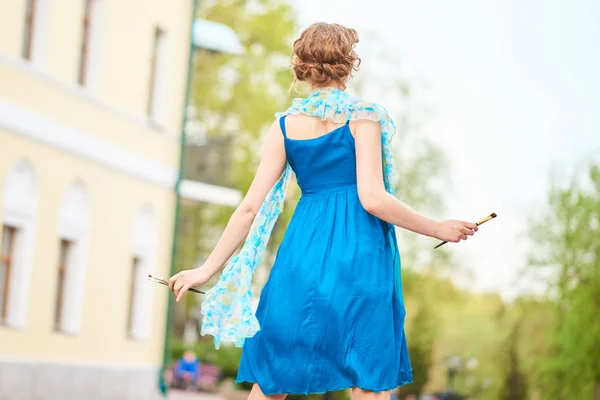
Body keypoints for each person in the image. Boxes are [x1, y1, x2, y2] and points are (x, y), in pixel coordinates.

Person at [169, 22, 477, 400]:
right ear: (349, 65)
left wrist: (205, 269)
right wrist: (437, 228)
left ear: (301, 65)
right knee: (365, 374)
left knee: (273, 373)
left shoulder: (283, 126)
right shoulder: (364, 118)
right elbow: (373, 198)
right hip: (359, 256)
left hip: (303, 253)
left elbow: (250, 208)